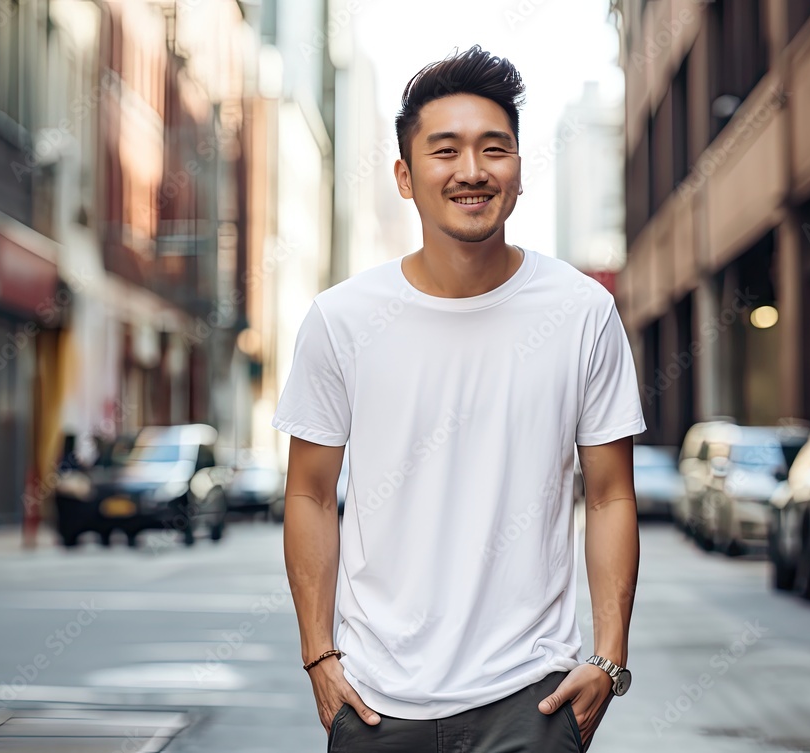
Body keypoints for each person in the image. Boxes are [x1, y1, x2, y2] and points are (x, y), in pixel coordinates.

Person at [272, 44, 646, 753]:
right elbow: (310, 494)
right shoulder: (343, 318)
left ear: (519, 171)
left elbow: (609, 496)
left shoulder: (581, 312)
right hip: (376, 702)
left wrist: (608, 657)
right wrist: (319, 655)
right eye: (445, 151)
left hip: (531, 702)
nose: (472, 170)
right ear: (406, 177)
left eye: (493, 149)